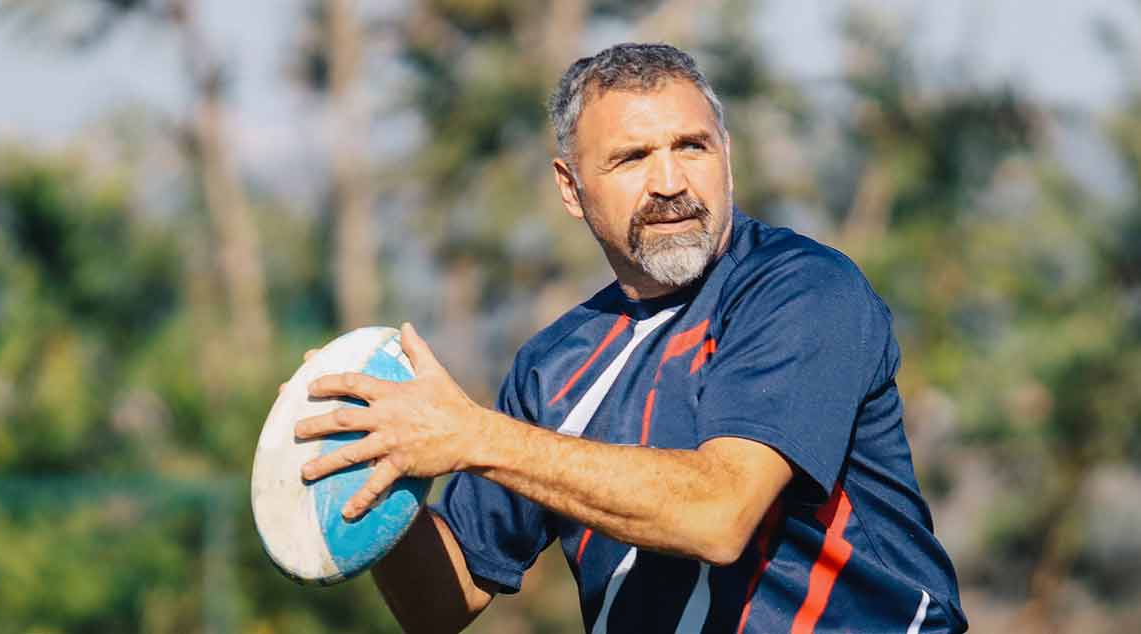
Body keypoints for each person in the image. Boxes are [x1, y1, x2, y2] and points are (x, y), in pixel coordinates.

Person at [294, 42, 966, 633]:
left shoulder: (803, 290)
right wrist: (377, 462)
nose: (670, 182)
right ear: (571, 187)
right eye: (631, 158)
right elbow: (440, 605)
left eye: (691, 147)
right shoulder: (552, 365)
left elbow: (717, 513)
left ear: (726, 158)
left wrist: (471, 436)